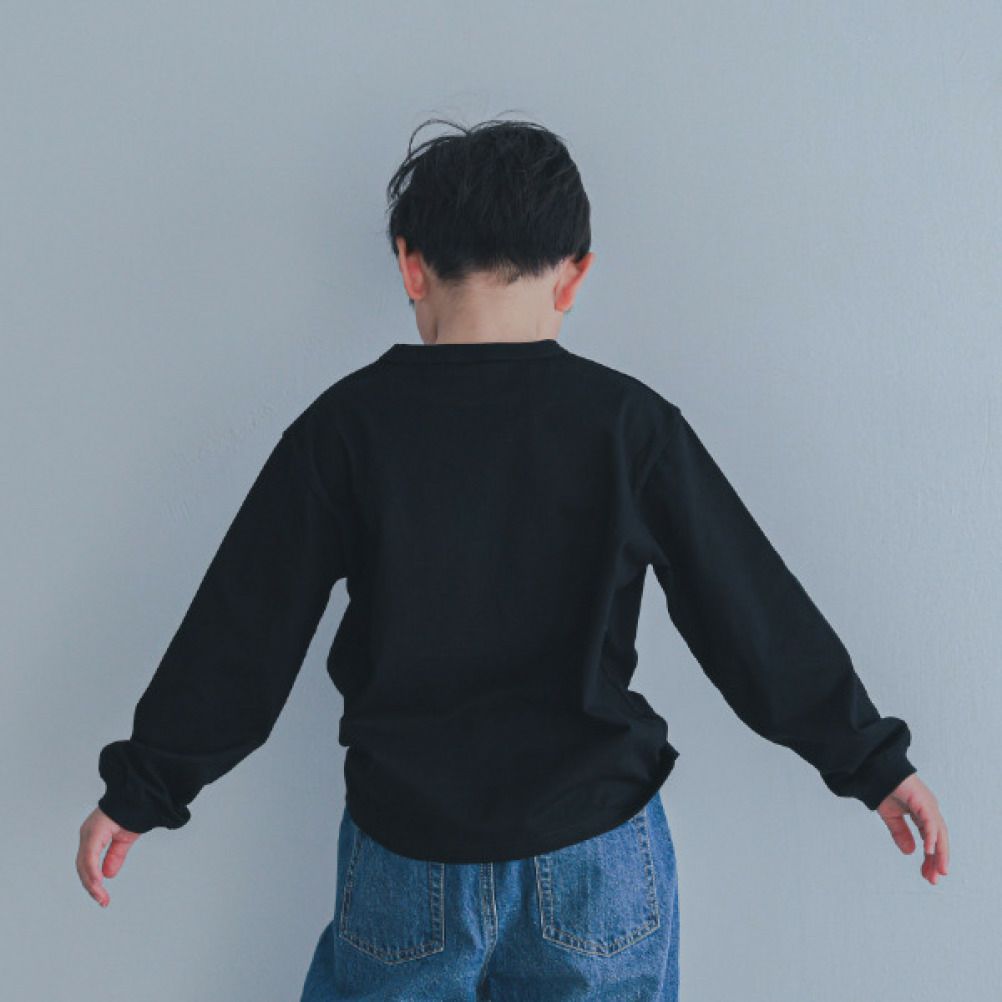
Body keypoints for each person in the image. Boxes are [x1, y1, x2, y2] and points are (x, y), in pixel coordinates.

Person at [77, 117, 949, 1001]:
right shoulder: (629, 427)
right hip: (598, 854)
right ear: (574, 276)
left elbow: (245, 628)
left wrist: (144, 788)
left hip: (407, 853)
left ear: (410, 266)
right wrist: (873, 762)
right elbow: (751, 614)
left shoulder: (346, 428)